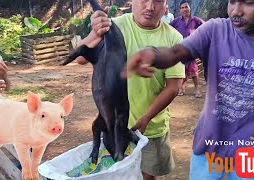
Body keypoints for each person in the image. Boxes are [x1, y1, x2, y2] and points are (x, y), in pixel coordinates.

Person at [124, 0, 254, 179]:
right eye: (231, 1)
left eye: (249, 2)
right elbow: (175, 52)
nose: (236, 11)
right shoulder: (216, 31)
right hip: (209, 143)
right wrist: (153, 54)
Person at [75, 0, 185, 179]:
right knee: (120, 172)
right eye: (144, 0)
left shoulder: (174, 38)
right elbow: (81, 59)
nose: (150, 7)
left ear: (166, 5)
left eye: (158, 1)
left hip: (151, 128)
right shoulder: (116, 25)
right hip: (116, 126)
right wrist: (95, 33)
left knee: (148, 175)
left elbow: (173, 87)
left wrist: (146, 118)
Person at [170, 0, 204, 97]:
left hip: (192, 50)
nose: (185, 9)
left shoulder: (196, 20)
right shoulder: (176, 21)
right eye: (182, 8)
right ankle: (181, 88)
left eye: (186, 7)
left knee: (194, 70)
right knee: (181, 70)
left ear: (190, 8)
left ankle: (197, 89)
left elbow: (206, 28)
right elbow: (168, 29)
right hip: (180, 50)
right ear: (180, 10)